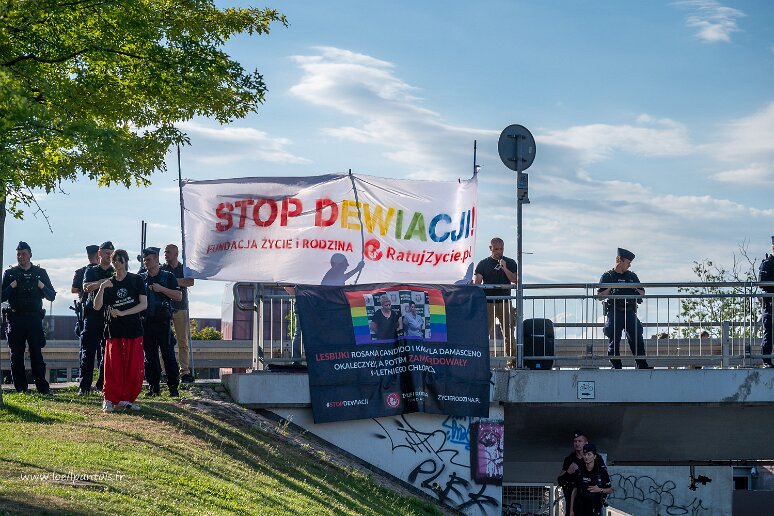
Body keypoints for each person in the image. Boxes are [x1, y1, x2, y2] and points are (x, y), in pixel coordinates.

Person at [93, 249, 147, 412]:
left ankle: (126, 398)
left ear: (126, 261)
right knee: (113, 366)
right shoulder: (109, 282)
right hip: (113, 330)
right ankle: (109, 398)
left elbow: (143, 304)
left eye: (119, 260)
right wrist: (102, 287)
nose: (116, 262)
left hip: (133, 329)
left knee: (133, 366)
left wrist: (123, 312)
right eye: (114, 260)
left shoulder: (136, 280)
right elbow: (97, 307)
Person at [1, 241, 56, 394]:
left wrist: (40, 285)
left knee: (36, 354)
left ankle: (42, 388)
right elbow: (1, 296)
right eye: (18, 254)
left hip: (34, 319)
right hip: (15, 318)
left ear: (30, 254)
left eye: (24, 254)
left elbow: (51, 296)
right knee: (16, 355)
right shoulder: (10, 273)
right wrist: (12, 285)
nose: (21, 257)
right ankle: (21, 389)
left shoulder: (40, 273)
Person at [597, 248, 651, 369]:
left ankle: (642, 365)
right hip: (615, 310)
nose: (629, 265)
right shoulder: (608, 276)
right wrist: (611, 288)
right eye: (628, 262)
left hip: (630, 310)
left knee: (637, 337)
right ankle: (616, 366)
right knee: (613, 338)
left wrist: (632, 287)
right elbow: (599, 296)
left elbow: (642, 293)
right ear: (619, 260)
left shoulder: (632, 276)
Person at [140, 247, 182, 397]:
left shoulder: (168, 276)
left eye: (149, 259)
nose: (146, 262)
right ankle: (153, 387)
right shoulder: (141, 278)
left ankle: (173, 388)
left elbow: (178, 296)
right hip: (146, 322)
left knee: (168, 355)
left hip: (163, 322)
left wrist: (161, 289)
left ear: (157, 260)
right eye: (145, 260)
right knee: (150, 357)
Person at [78, 241, 115, 395]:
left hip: (110, 315)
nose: (109, 256)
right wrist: (102, 283)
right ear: (99, 254)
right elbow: (86, 287)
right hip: (93, 315)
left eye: (111, 253)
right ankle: (84, 386)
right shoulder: (91, 270)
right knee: (88, 352)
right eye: (107, 253)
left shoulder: (116, 271)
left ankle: (102, 386)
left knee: (107, 353)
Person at [474, 237, 518, 356]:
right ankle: (481, 360)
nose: (499, 251)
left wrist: (504, 267)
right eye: (496, 249)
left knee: (509, 332)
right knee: (484, 333)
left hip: (505, 302)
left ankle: (511, 362)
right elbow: (477, 282)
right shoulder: (483, 263)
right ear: (490, 248)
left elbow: (515, 280)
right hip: (488, 303)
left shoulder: (511, 262)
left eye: (501, 249)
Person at [161, 243, 195, 383]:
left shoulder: (184, 268)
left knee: (183, 342)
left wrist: (170, 282)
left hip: (181, 307)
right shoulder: (162, 269)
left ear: (176, 253)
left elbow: (190, 282)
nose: (165, 254)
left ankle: (185, 372)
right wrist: (178, 283)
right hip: (165, 307)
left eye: (168, 252)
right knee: (163, 341)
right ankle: (164, 372)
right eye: (165, 252)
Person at [557, 431, 608, 513]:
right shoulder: (570, 459)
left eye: (580, 441)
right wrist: (568, 472)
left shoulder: (596, 458)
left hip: (592, 503)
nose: (577, 444)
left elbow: (605, 477)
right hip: (574, 503)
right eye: (575, 441)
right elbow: (560, 481)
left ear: (586, 443)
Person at [569, 443, 612, 516]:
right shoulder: (579, 472)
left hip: (595, 509)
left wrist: (600, 489)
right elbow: (574, 491)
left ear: (594, 456)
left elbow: (610, 490)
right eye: (585, 454)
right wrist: (571, 510)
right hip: (580, 508)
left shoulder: (601, 472)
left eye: (589, 454)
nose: (586, 457)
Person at [758, 236, 774, 367]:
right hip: (771, 303)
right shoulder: (767, 263)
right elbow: (762, 283)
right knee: (769, 331)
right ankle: (766, 359)